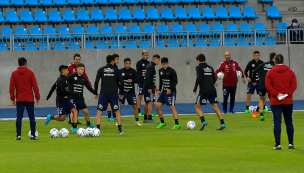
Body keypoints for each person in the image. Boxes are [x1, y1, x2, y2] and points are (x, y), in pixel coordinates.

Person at [265, 54, 297, 150]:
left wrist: (276, 94)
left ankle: (278, 144)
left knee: (277, 122)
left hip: (275, 101)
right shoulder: (290, 72)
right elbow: (293, 86)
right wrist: (286, 94)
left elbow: (268, 86)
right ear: (283, 61)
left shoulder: (270, 73)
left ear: (274, 62)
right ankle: (291, 143)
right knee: (289, 122)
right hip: (287, 101)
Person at [9, 57, 40, 140]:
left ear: (18, 63)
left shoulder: (14, 74)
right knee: (32, 117)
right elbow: (35, 86)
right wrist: (37, 97)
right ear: (25, 63)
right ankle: (33, 135)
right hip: (29, 98)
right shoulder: (30, 73)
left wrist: (13, 98)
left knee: (19, 117)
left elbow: (12, 87)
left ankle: (18, 135)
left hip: (19, 99)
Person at [194, 54, 226, 131]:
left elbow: (198, 78)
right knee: (215, 107)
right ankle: (222, 123)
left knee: (197, 107)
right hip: (212, 90)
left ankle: (203, 121)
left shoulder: (199, 67)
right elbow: (213, 79)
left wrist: (195, 88)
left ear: (198, 60)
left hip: (204, 90)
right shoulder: (210, 68)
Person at [94, 55, 125, 135]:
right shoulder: (117, 70)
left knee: (99, 111)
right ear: (113, 61)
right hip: (113, 94)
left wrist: (95, 92)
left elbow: (96, 82)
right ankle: (120, 130)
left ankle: (97, 130)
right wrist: (121, 93)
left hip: (103, 93)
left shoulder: (101, 69)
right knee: (117, 111)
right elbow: (121, 82)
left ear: (106, 61)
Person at [64, 63, 97, 132]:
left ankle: (88, 123)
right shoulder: (72, 76)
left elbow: (88, 87)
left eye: (83, 69)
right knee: (74, 111)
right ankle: (74, 127)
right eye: (81, 69)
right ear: (77, 69)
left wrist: (95, 93)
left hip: (80, 99)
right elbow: (63, 80)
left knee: (86, 112)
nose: (82, 71)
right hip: (72, 97)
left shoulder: (83, 78)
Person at [45, 65, 79, 131]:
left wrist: (48, 96)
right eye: (67, 70)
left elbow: (53, 87)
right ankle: (51, 117)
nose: (68, 71)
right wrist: (72, 93)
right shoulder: (60, 80)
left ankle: (74, 128)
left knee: (75, 111)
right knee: (62, 118)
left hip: (67, 100)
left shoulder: (64, 79)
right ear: (63, 71)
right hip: (61, 101)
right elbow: (63, 91)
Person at [156, 57, 180, 129]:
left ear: (168, 63)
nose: (165, 66)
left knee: (172, 107)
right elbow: (161, 81)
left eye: (166, 64)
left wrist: (170, 88)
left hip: (171, 92)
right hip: (164, 92)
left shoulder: (172, 71)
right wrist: (160, 90)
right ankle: (162, 122)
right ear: (161, 64)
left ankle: (177, 124)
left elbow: (175, 81)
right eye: (163, 64)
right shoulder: (160, 71)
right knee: (157, 106)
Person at [67, 54, 91, 124]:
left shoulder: (81, 69)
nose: (77, 60)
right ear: (74, 60)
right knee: (74, 109)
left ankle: (80, 122)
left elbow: (85, 77)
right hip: (71, 91)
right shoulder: (70, 67)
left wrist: (89, 83)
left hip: (79, 93)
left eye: (79, 59)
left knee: (80, 110)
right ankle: (72, 123)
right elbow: (66, 78)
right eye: (76, 59)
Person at [252, 52, 276, 120]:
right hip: (270, 84)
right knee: (272, 98)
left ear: (269, 58)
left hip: (262, 84)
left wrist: (254, 80)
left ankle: (261, 114)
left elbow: (255, 71)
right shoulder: (275, 66)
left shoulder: (263, 64)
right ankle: (273, 112)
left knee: (262, 98)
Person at [119, 58, 142, 126]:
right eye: (126, 63)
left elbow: (138, 80)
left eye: (129, 63)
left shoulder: (133, 71)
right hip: (123, 92)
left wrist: (132, 80)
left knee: (135, 106)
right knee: (118, 105)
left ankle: (137, 121)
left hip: (131, 92)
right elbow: (118, 81)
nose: (128, 65)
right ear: (124, 64)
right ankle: (118, 120)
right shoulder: (120, 71)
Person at [143, 54, 160, 123]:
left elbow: (150, 78)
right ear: (155, 60)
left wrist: (154, 86)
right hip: (148, 87)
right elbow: (147, 78)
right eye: (158, 60)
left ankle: (145, 118)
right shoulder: (151, 67)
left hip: (148, 86)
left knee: (147, 102)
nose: (159, 62)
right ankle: (149, 118)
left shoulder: (150, 66)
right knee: (151, 102)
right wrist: (150, 88)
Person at [136, 50, 153, 117]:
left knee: (148, 98)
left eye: (147, 55)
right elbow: (139, 74)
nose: (147, 56)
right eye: (145, 55)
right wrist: (143, 83)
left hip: (147, 84)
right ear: (142, 55)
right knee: (140, 97)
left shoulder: (149, 63)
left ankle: (149, 112)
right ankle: (138, 112)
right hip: (141, 83)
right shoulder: (139, 63)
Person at [107, 54, 120, 121]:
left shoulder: (116, 67)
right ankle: (109, 116)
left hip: (115, 86)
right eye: (117, 59)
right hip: (109, 87)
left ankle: (114, 115)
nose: (118, 60)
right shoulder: (109, 68)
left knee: (114, 101)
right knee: (109, 102)